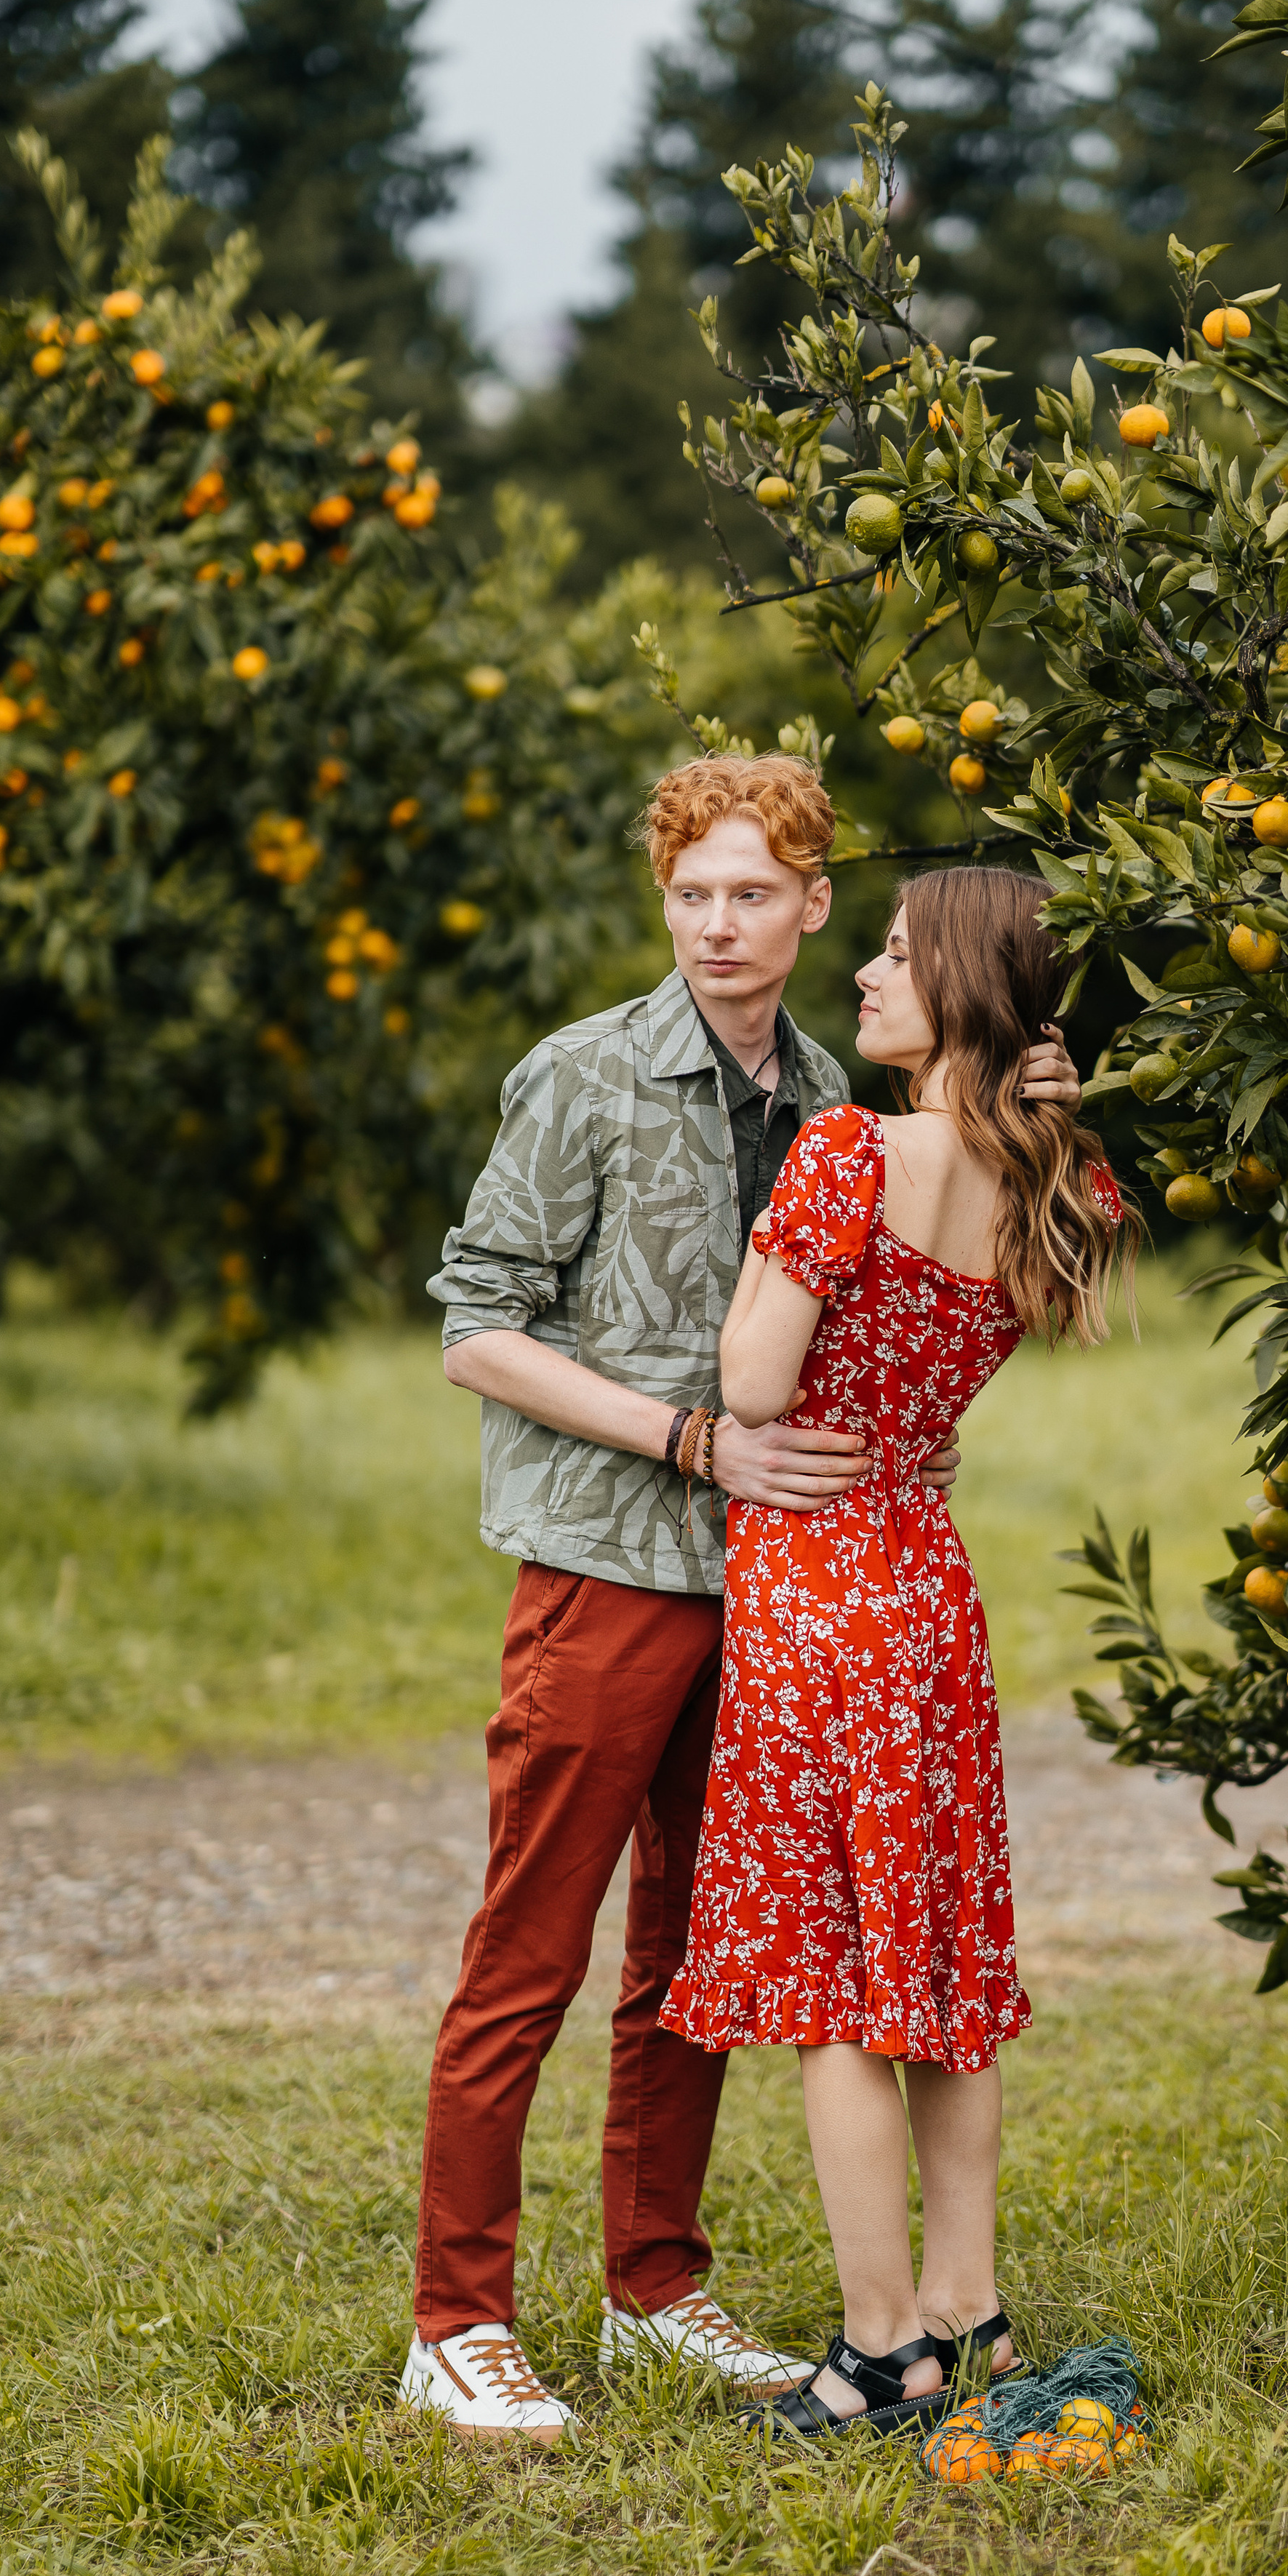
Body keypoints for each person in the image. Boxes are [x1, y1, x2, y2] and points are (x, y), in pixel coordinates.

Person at [398, 755, 1082, 2445]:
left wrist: (1023, 1080)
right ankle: (455, 2318)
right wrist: (689, 1439)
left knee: (703, 1958)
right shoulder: (579, 1076)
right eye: (689, 894)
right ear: (663, 903)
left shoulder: (847, 1091)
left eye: (751, 894)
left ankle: (653, 2285)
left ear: (813, 904)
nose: (718, 924)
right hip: (610, 1563)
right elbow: (474, 1324)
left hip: (786, 1599)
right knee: (528, 1951)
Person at [660, 865, 1135, 2439]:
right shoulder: (1048, 1176)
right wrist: (1044, 1093)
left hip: (814, 1599)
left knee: (831, 1995)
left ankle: (877, 2352)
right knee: (933, 1967)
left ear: (965, 990)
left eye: (895, 954)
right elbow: (1100, 1204)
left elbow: (750, 1381)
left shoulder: (844, 1150)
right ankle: (968, 2304)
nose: (862, 973)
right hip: (926, 1594)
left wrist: (759, 1300)